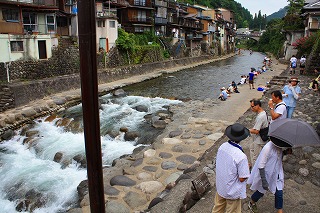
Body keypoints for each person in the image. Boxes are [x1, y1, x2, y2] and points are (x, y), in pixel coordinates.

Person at [247, 137, 292, 213]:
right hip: (266, 173)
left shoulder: (279, 146)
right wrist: (264, 180)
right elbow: (261, 165)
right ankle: (252, 202)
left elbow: (277, 157)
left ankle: (280, 210)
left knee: (279, 193)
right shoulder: (268, 148)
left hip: (276, 173)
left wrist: (285, 152)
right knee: (261, 192)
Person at [212, 123, 250, 213]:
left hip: (221, 185)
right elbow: (242, 178)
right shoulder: (241, 156)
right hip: (232, 190)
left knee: (218, 208)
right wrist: (247, 168)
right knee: (232, 210)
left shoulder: (222, 146)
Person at [249, 99, 268, 166]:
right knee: (251, 149)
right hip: (258, 138)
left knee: (255, 157)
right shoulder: (263, 112)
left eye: (253, 106)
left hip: (259, 140)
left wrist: (248, 130)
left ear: (258, 105)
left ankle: (255, 172)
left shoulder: (260, 116)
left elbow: (256, 131)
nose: (252, 108)